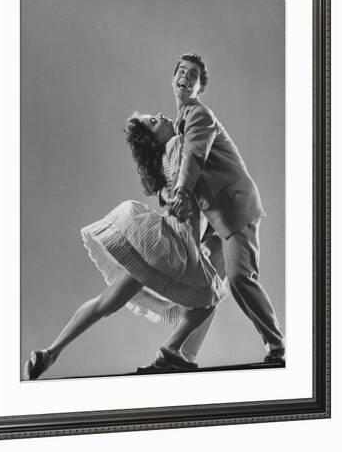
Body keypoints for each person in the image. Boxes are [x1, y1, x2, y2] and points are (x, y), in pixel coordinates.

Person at [23, 112, 227, 380]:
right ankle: (172, 351)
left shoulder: (165, 161)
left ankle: (51, 352)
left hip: (160, 244)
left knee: (106, 302)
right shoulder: (177, 145)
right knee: (210, 297)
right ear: (154, 140)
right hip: (176, 245)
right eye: (154, 121)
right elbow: (193, 185)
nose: (160, 116)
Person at [168, 52, 285, 364]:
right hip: (218, 221)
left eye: (193, 75)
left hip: (235, 210)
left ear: (199, 88)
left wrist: (180, 189)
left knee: (239, 278)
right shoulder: (182, 124)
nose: (185, 77)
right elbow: (192, 194)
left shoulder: (198, 115)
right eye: (181, 71)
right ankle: (183, 355)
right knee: (203, 286)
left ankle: (277, 346)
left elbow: (195, 156)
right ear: (172, 79)